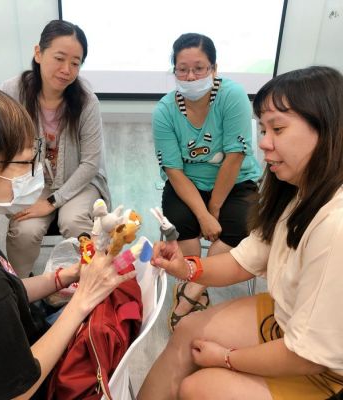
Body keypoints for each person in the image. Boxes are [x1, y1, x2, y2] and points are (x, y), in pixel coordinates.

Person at [137, 66, 343, 399]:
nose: (263, 143)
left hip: (322, 365)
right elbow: (243, 260)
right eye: (263, 129)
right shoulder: (296, 192)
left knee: (198, 388)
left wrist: (227, 358)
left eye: (277, 129)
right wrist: (186, 267)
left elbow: (309, 354)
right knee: (189, 330)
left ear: (327, 128)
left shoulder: (335, 225)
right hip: (290, 320)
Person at [0, 84, 134, 400]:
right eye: (23, 164)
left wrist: (63, 277)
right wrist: (83, 299)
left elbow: (7, 290)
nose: (36, 174)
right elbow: (17, 392)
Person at [152, 33, 262, 330]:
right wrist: (202, 215)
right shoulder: (164, 111)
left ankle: (191, 290)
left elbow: (235, 156)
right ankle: (195, 284)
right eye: (182, 69)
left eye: (199, 68)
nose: (190, 76)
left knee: (239, 225)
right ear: (174, 70)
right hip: (187, 183)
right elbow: (174, 170)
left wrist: (213, 209)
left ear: (214, 68)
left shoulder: (232, 96)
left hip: (235, 181)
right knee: (180, 222)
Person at [1, 19, 110, 278]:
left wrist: (52, 202)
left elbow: (90, 164)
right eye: (59, 58)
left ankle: (85, 281)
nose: (66, 70)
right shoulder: (12, 91)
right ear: (38, 53)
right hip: (32, 181)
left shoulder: (86, 101)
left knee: (75, 222)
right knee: (24, 230)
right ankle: (21, 288)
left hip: (79, 181)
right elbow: (1, 145)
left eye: (75, 63)